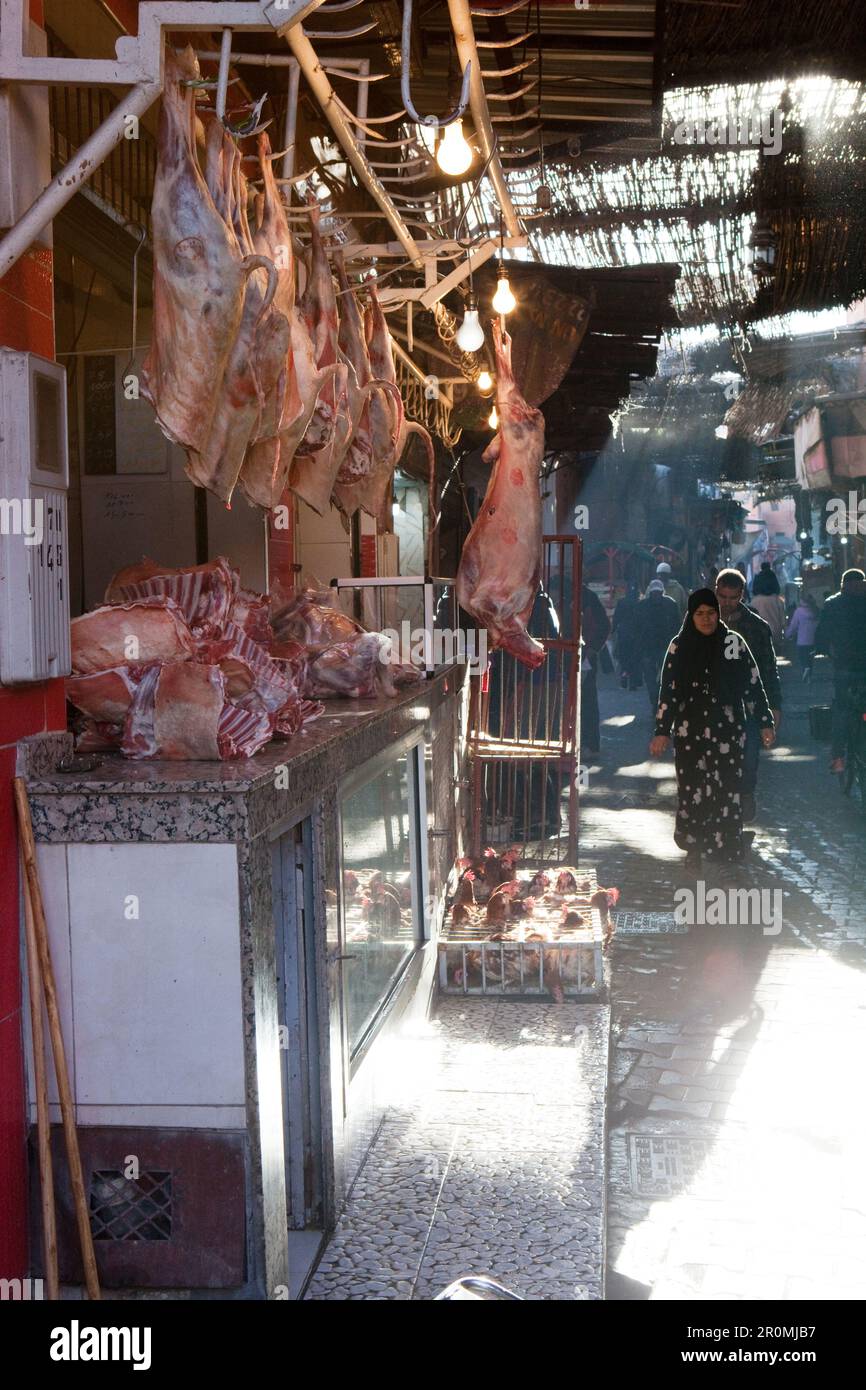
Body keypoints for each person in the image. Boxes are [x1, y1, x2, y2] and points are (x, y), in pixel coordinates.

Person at [650, 589, 776, 866]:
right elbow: (668, 691)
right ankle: (693, 847)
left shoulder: (732, 643)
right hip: (689, 731)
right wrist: (662, 730)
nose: (706, 620)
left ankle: (726, 849)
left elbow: (752, 685)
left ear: (718, 614)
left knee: (727, 789)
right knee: (692, 789)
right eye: (700, 614)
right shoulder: (679, 646)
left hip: (727, 730)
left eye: (711, 613)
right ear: (691, 615)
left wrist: (765, 721)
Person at [714, 567, 782, 824]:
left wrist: (774, 706)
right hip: (711, 705)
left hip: (749, 705)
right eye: (723, 597)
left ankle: (745, 794)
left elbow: (768, 668)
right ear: (716, 593)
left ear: (741, 595)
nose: (727, 603)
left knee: (748, 759)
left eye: (733, 598)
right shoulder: (701, 621)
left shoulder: (756, 626)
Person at [814, 568, 866, 773]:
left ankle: (838, 758)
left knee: (842, 710)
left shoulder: (832, 604)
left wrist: (821, 651)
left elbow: (822, 633)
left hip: (844, 666)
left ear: (843, 584)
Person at [635, 579, 680, 714]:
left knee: (654, 677)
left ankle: (657, 701)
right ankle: (659, 701)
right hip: (658, 647)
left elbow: (637, 628)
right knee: (662, 676)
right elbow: (677, 626)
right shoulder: (670, 604)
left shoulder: (642, 605)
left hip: (655, 648)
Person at [580, 584, 611, 757]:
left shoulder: (587, 596)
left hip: (584, 659)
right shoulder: (586, 595)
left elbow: (604, 626)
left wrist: (592, 649)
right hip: (566, 657)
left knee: (587, 701)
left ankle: (589, 744)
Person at [611, 583, 642, 690]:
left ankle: (624, 676)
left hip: (623, 634)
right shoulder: (639, 603)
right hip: (636, 634)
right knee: (634, 658)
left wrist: (613, 630)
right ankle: (633, 682)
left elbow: (616, 618)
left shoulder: (621, 602)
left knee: (623, 657)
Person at [786, 592, 819, 681]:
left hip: (802, 640)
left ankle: (805, 669)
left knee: (802, 658)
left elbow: (794, 626)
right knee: (810, 658)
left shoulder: (799, 611)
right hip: (813, 640)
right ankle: (809, 674)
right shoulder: (815, 610)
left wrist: (787, 634)